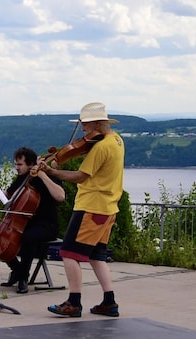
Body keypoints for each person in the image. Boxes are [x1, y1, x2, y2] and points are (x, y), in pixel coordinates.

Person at [41, 102, 124, 318]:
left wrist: (51, 171)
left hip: (91, 207)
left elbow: (80, 176)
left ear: (97, 123)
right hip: (108, 208)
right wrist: (60, 160)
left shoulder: (101, 147)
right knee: (97, 256)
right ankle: (109, 302)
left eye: (85, 125)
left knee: (69, 253)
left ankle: (74, 302)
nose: (83, 130)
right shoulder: (116, 140)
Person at [0, 147, 65, 294]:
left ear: (31, 164)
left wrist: (43, 175)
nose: (16, 168)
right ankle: (17, 269)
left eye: (20, 165)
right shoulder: (22, 177)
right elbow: (8, 193)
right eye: (16, 164)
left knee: (28, 238)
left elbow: (60, 196)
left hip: (46, 224)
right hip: (24, 223)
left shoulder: (47, 177)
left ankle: (22, 278)